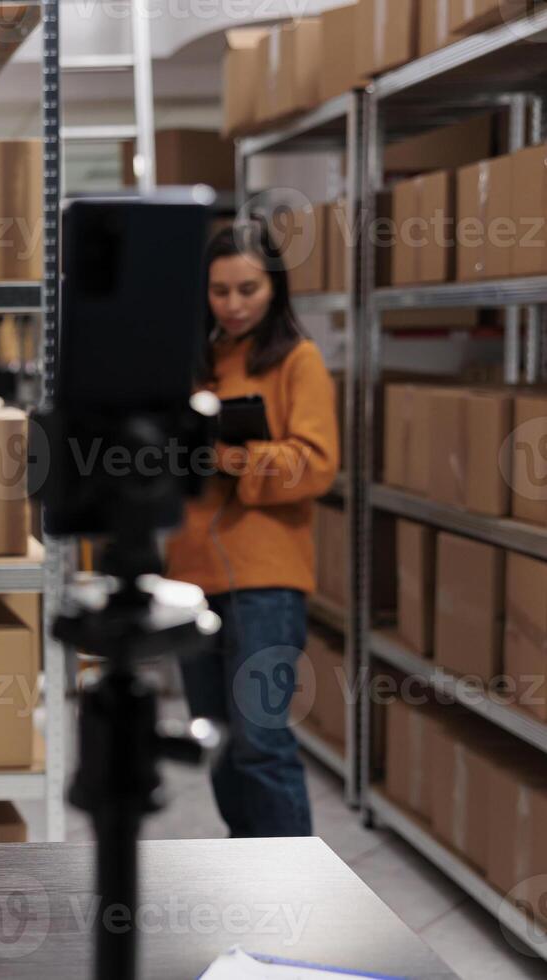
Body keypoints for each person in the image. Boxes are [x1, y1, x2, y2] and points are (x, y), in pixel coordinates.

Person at [164, 219, 340, 839]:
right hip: (191, 577)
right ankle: (247, 879)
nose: (234, 305)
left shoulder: (298, 360)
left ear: (275, 289)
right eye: (220, 292)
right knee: (220, 743)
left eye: (248, 289)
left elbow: (317, 464)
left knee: (262, 743)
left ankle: (293, 895)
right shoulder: (200, 363)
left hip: (267, 580)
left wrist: (229, 456)